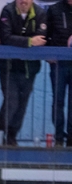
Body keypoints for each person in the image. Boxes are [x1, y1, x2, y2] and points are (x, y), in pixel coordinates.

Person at [0, 0, 47, 146]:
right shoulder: (8, 11)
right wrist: (29, 41)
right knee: (11, 101)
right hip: (8, 67)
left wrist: (19, 40)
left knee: (22, 104)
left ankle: (12, 135)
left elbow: (41, 39)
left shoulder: (40, 13)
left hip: (29, 68)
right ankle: (0, 131)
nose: (24, 1)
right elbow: (6, 37)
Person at [46, 0, 72, 147]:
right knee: (58, 101)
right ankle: (59, 136)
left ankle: (71, 138)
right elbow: (46, 33)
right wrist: (49, 54)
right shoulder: (54, 9)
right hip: (59, 64)